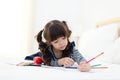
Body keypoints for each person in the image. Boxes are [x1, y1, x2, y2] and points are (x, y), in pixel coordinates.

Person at [25, 20, 91, 72]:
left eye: (64, 38)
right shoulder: (48, 50)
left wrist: (84, 64)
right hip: (42, 55)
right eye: (56, 41)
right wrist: (60, 61)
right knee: (35, 57)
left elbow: (79, 57)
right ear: (50, 43)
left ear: (67, 36)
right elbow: (48, 62)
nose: (62, 43)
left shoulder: (70, 48)